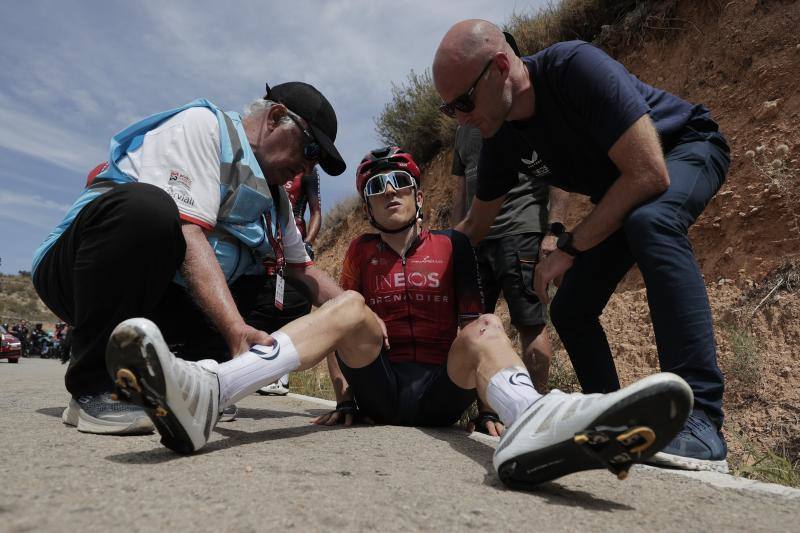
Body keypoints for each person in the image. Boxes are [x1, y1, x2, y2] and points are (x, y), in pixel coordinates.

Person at [104, 145, 694, 488]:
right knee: (349, 304)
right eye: (376, 186)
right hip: (380, 388)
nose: (389, 191)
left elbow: (474, 330)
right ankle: (210, 390)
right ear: (366, 201)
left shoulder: (455, 248)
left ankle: (529, 419)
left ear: (417, 191)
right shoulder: (359, 250)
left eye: (400, 182)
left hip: (441, 391)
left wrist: (487, 408)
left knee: (484, 324)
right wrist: (343, 401)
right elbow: (337, 327)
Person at [433, 20, 730, 472]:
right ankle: (616, 424)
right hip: (622, 193)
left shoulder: (574, 67)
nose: (462, 118)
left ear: (499, 66)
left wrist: (568, 248)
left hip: (683, 150)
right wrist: (413, 268)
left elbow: (650, 174)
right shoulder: (500, 136)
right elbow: (474, 225)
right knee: (570, 309)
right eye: (449, 108)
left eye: (465, 101)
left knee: (653, 222)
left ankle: (702, 422)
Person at [32, 81, 347, 436]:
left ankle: (198, 378)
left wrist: (361, 310)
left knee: (288, 292)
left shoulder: (277, 201)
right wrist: (235, 328)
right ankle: (94, 389)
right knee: (150, 210)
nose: (307, 168)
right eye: (308, 149)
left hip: (158, 293)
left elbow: (304, 271)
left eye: (316, 161)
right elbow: (188, 233)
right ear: (275, 118)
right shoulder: (202, 126)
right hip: (77, 275)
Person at [451, 122, 567, 393]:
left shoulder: (518, 114)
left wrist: (554, 231)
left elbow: (557, 174)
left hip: (521, 231)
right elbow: (460, 192)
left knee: (530, 323)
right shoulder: (462, 130)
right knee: (473, 329)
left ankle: (535, 405)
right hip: (475, 241)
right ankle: (487, 413)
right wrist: (454, 241)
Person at [254, 167, 323, 396]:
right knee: (263, 298)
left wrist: (308, 243)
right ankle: (262, 369)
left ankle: (281, 375)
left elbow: (316, 211)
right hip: (266, 239)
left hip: (294, 242)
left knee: (290, 303)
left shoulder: (309, 171)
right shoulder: (266, 164)